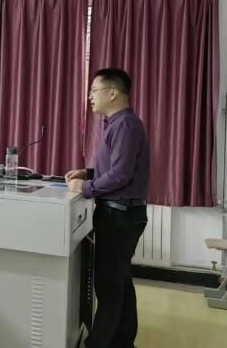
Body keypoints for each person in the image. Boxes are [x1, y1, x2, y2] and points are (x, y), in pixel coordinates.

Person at [66, 68, 149, 348]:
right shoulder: (118, 124)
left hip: (120, 215)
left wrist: (85, 187)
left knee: (109, 287)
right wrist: (88, 173)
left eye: (94, 90)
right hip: (122, 213)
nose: (90, 96)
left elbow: (120, 175)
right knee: (120, 282)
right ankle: (123, 341)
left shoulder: (124, 125)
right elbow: (116, 169)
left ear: (112, 93)